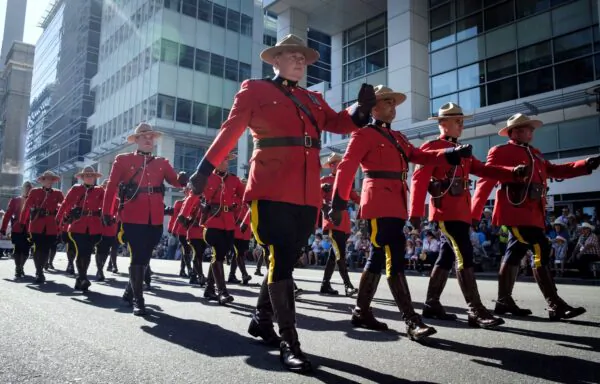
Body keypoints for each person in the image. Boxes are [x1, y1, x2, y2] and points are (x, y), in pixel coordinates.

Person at [188, 34, 374, 373]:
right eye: (292, 55)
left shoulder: (313, 97)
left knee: (284, 258)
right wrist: (204, 169)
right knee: (281, 259)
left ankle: (261, 318)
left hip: (305, 193)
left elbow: (337, 124)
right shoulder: (255, 90)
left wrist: (360, 110)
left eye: (303, 57)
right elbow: (231, 130)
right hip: (270, 187)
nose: (300, 61)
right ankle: (290, 341)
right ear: (275, 61)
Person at [328, 85, 474, 340]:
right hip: (377, 203)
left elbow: (419, 155)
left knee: (376, 257)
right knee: (392, 255)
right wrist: (338, 202)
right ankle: (411, 319)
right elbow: (347, 167)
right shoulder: (363, 134)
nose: (393, 108)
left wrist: (450, 153)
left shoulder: (398, 137)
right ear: (373, 107)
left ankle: (361, 310)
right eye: (387, 103)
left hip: (395, 202)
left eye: (394, 104)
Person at [410, 103, 528, 327]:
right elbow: (419, 180)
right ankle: (475, 309)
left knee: (446, 256)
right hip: (445, 210)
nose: (461, 125)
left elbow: (483, 170)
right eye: (457, 121)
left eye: (462, 120)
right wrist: (415, 213)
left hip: (460, 211)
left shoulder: (463, 150)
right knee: (464, 254)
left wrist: (510, 172)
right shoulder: (432, 146)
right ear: (443, 123)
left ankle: (431, 303)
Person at [471, 113, 600, 320]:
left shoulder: (536, 153)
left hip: (533, 213)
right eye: (525, 128)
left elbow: (556, 170)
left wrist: (584, 164)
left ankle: (503, 301)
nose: (530, 131)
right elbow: (486, 180)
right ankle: (554, 303)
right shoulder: (500, 151)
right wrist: (474, 213)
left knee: (514, 253)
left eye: (531, 128)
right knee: (542, 247)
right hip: (515, 212)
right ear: (513, 132)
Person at [102, 123, 187, 316]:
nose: (149, 139)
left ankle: (129, 291)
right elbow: (112, 187)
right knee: (138, 255)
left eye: (151, 137)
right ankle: (138, 300)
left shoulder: (162, 163)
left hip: (155, 217)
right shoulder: (122, 160)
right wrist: (107, 212)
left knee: (146, 256)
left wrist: (185, 179)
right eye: (144, 136)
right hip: (132, 215)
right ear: (137, 140)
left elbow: (175, 181)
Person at [180, 154, 244, 304]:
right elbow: (193, 196)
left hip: (228, 222)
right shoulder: (206, 178)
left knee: (220, 254)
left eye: (227, 160)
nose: (225, 162)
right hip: (211, 221)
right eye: (222, 159)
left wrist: (236, 211)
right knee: (219, 252)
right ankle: (222, 291)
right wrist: (184, 214)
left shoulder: (234, 180)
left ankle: (209, 289)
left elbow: (243, 197)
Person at [56, 166, 104, 291]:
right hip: (78, 225)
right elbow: (66, 203)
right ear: (82, 178)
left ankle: (80, 279)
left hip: (94, 226)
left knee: (87, 253)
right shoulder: (76, 189)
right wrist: (59, 218)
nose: (89, 177)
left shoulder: (100, 191)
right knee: (81, 251)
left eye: (91, 175)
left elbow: (108, 204)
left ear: (95, 177)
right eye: (87, 175)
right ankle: (83, 277)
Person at [319, 153, 360, 296]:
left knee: (333, 255)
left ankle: (325, 284)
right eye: (333, 163)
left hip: (344, 222)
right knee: (340, 254)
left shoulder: (346, 180)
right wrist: (324, 205)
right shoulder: (324, 180)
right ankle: (347, 285)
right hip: (333, 222)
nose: (335, 165)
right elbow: (316, 197)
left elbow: (356, 198)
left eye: (337, 162)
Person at [20, 171, 64, 283]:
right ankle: (39, 271)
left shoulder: (58, 193)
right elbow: (27, 207)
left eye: (51, 179)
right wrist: (22, 222)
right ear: (43, 180)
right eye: (47, 179)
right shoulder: (35, 192)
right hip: (37, 224)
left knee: (46, 248)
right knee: (38, 247)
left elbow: (64, 206)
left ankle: (40, 270)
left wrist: (62, 221)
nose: (49, 181)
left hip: (51, 225)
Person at [1, 181, 33, 278]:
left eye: (29, 188)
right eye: (26, 188)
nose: (27, 190)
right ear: (22, 189)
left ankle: (21, 266)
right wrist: (3, 228)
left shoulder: (35, 201)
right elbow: (7, 215)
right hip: (17, 228)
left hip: (30, 230)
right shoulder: (15, 200)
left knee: (26, 251)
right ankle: (17, 267)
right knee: (18, 249)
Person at [228, 179, 253, 285]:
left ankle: (231, 275)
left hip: (245, 232)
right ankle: (244, 274)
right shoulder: (234, 198)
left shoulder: (247, 200)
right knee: (239, 253)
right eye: (242, 184)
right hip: (236, 231)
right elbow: (229, 213)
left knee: (238, 254)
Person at [167, 188, 193, 278]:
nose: (188, 192)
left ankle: (182, 270)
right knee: (186, 249)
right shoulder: (179, 203)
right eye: (186, 190)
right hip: (182, 230)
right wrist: (171, 229)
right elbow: (174, 218)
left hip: (192, 229)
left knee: (185, 251)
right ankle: (190, 270)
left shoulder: (196, 202)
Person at [97, 179, 120, 278]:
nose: (107, 188)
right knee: (99, 249)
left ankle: (102, 267)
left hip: (111, 227)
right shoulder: (98, 198)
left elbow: (119, 212)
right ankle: (99, 270)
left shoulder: (117, 200)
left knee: (107, 250)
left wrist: (115, 218)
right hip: (98, 226)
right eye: (105, 186)